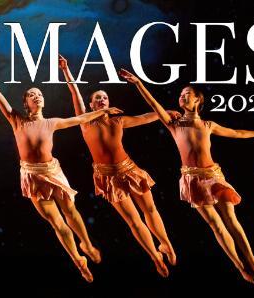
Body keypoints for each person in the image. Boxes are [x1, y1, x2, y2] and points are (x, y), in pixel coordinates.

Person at [0, 51, 123, 283]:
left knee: (71, 212)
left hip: (53, 172)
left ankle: (88, 244)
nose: (37, 96)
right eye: (32, 95)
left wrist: (102, 110)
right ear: (26, 103)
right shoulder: (17, 120)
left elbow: (80, 119)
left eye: (40, 94)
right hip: (32, 176)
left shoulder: (51, 122)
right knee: (56, 221)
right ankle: (77, 259)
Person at [119, 68, 254, 284]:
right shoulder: (173, 124)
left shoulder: (208, 125)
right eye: (180, 94)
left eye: (187, 94)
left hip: (213, 175)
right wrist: (138, 83)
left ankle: (251, 259)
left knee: (231, 220)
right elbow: (153, 105)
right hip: (191, 179)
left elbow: (236, 133)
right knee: (215, 224)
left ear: (197, 101)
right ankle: (240, 266)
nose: (182, 96)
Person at [59, 55, 176, 277]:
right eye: (98, 98)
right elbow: (74, 92)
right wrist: (66, 70)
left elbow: (144, 117)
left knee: (150, 210)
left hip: (129, 169)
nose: (102, 100)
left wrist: (166, 113)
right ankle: (154, 256)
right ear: (91, 104)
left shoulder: (118, 120)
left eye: (105, 98)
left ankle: (166, 243)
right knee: (133, 220)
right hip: (107, 177)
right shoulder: (85, 121)